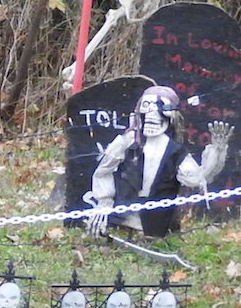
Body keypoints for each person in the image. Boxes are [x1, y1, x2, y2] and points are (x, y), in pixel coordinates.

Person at [86, 84, 233, 237]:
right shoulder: (128, 142)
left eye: (161, 107)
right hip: (121, 219)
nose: (152, 114)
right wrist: (104, 201)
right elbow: (103, 170)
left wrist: (218, 150)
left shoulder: (175, 152)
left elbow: (198, 178)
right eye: (147, 106)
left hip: (157, 225)